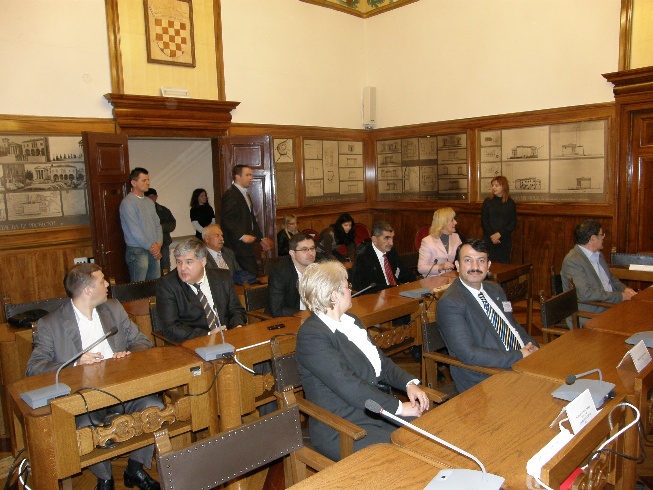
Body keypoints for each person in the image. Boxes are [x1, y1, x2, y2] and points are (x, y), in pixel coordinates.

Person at [26, 263, 162, 490]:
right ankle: (105, 478)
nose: (107, 284)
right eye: (102, 281)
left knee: (154, 407)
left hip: (123, 390)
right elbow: (34, 367)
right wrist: (75, 363)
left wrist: (127, 354)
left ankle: (134, 469)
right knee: (83, 427)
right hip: (83, 400)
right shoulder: (51, 324)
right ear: (87, 290)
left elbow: (142, 342)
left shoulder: (113, 308)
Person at [295, 261, 430, 461]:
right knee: (407, 457)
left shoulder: (351, 321)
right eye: (347, 285)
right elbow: (349, 385)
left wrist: (408, 384)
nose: (351, 289)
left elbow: (381, 363)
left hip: (372, 410)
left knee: (431, 436)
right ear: (334, 295)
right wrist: (399, 408)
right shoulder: (312, 335)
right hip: (343, 426)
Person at [436, 238, 538, 393]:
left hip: (519, 362)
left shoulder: (495, 289)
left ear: (488, 265)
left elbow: (513, 325)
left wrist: (531, 345)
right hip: (487, 375)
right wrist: (519, 355)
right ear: (457, 265)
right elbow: (469, 354)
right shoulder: (451, 302)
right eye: (468, 260)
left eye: (481, 260)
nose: (475, 267)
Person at [155, 237, 246, 342]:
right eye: (179, 262)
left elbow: (236, 310)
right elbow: (170, 327)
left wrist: (236, 327)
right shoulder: (167, 285)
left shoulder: (222, 277)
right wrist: (208, 335)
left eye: (188, 262)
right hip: (195, 342)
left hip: (229, 337)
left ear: (203, 261)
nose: (182, 268)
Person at [561, 220, 637, 322]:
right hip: (590, 313)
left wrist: (625, 289)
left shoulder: (598, 254)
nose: (603, 238)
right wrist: (620, 296)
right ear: (593, 239)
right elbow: (586, 294)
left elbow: (610, 278)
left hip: (609, 305)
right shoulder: (573, 261)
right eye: (601, 235)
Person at [220, 165, 273, 276]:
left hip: (247, 246)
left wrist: (261, 238)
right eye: (248, 175)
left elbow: (251, 219)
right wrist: (241, 236)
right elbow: (227, 220)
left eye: (251, 175)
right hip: (237, 246)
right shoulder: (231, 195)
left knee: (251, 275)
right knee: (249, 276)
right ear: (237, 176)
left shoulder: (245, 194)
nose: (251, 177)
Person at [119, 167, 163, 281]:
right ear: (134, 183)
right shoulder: (128, 203)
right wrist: (152, 248)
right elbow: (135, 231)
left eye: (148, 180)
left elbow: (158, 225)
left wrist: (158, 244)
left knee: (154, 285)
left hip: (153, 249)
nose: (148, 183)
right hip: (137, 251)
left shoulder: (149, 202)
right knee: (139, 288)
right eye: (144, 180)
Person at [351, 220, 416, 294]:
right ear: (374, 239)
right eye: (386, 238)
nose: (391, 243)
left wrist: (416, 283)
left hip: (395, 293)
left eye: (392, 238)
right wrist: (395, 288)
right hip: (377, 297)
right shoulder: (363, 257)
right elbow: (368, 287)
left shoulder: (392, 252)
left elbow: (404, 273)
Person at [266, 233, 315, 317]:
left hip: (311, 317)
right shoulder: (280, 272)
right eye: (304, 249)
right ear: (292, 253)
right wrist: (306, 313)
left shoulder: (318, 267)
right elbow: (277, 310)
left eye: (312, 248)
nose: (311, 253)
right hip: (288, 318)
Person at [481, 176, 517, 264]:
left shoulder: (510, 203)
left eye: (496, 185)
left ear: (503, 187)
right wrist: (492, 236)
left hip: (504, 240)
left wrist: (500, 234)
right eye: (492, 185)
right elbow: (484, 222)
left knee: (503, 265)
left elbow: (512, 223)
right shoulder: (487, 201)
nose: (494, 187)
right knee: (488, 265)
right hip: (489, 239)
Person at [418, 207, 462, 277]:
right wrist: (440, 267)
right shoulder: (427, 241)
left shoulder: (456, 237)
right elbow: (421, 268)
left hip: (449, 277)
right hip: (432, 279)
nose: (455, 222)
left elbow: (462, 257)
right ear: (443, 223)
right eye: (452, 220)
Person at [145, 188, 176, 275]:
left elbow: (172, 224)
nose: (151, 198)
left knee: (165, 268)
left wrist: (160, 227)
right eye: (149, 197)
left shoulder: (164, 210)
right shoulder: (143, 211)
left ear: (156, 197)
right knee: (151, 270)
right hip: (148, 246)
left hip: (164, 244)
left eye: (153, 196)